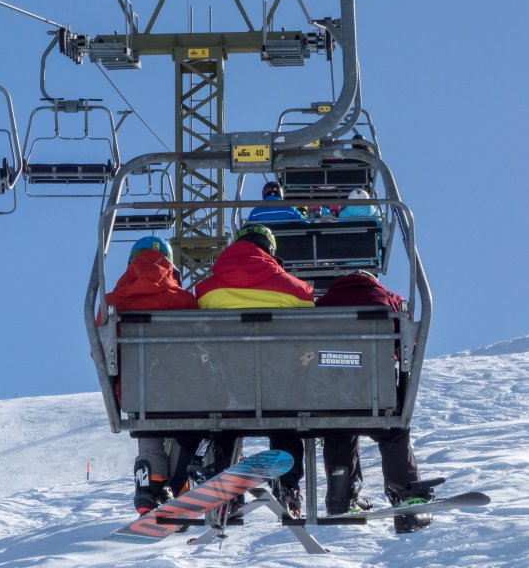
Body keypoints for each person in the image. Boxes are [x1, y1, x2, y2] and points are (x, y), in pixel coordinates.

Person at [194, 224, 313, 515]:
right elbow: (311, 330)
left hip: (230, 387)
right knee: (286, 420)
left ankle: (223, 484)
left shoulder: (207, 291)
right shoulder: (296, 291)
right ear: (270, 251)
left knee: (224, 419)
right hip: (279, 386)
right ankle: (288, 483)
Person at [315, 270, 435, 533]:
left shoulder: (321, 305)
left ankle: (340, 495)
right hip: (376, 394)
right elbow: (407, 344)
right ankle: (404, 493)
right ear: (373, 281)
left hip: (331, 397)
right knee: (393, 432)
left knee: (338, 430)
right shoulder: (388, 300)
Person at [101, 235, 198, 515]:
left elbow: (101, 351)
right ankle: (179, 485)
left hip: (136, 393)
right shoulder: (183, 300)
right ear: (170, 265)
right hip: (183, 393)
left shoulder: (112, 301)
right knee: (188, 423)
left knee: (145, 413)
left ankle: (149, 487)